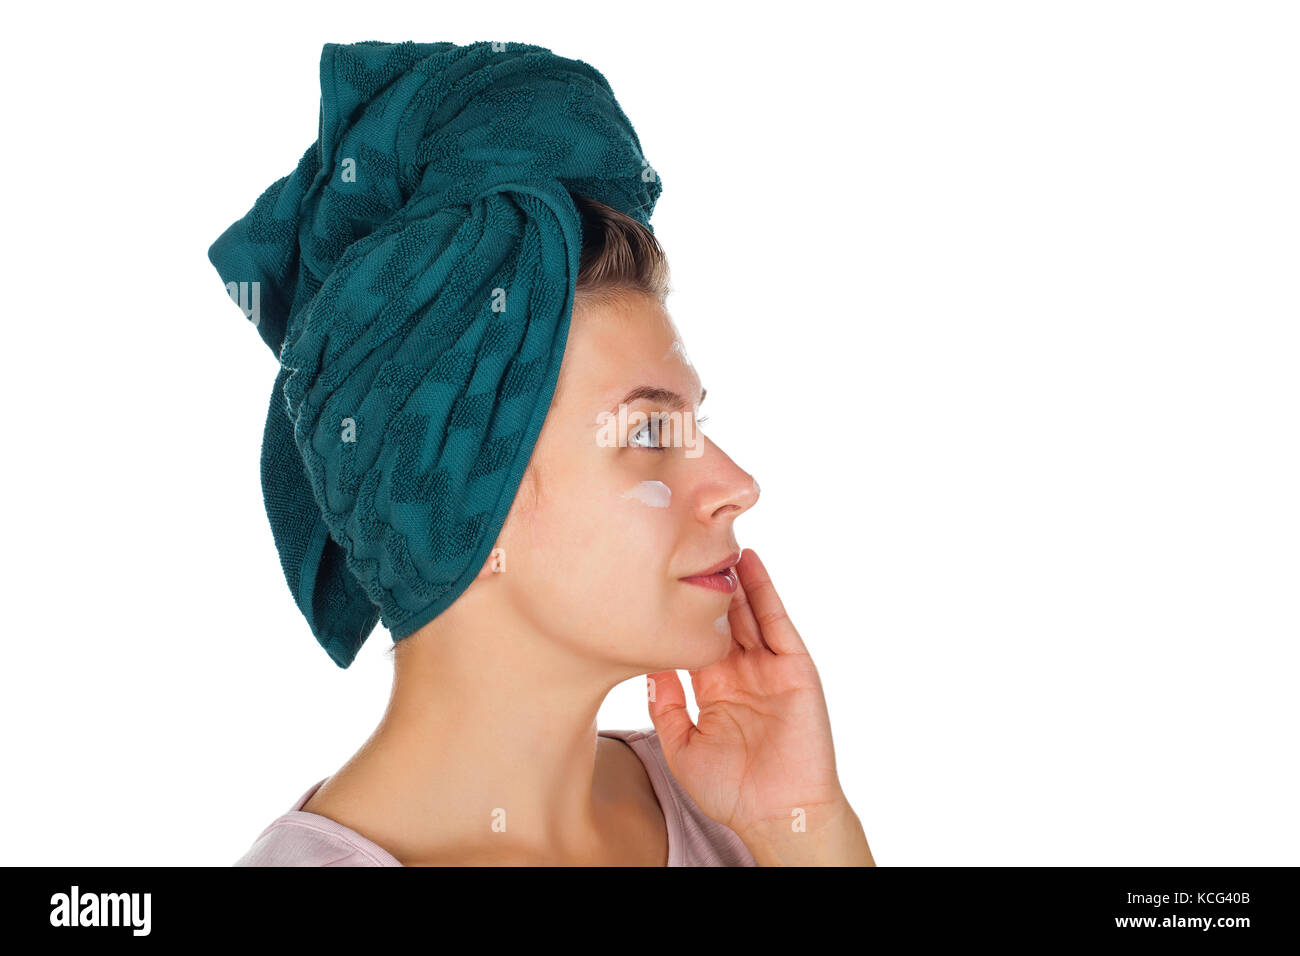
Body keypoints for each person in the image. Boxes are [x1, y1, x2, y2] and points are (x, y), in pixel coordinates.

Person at [233, 193, 875, 866]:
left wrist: (800, 827)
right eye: (651, 432)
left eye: (698, 425)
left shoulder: (735, 806)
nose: (739, 486)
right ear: (456, 511)